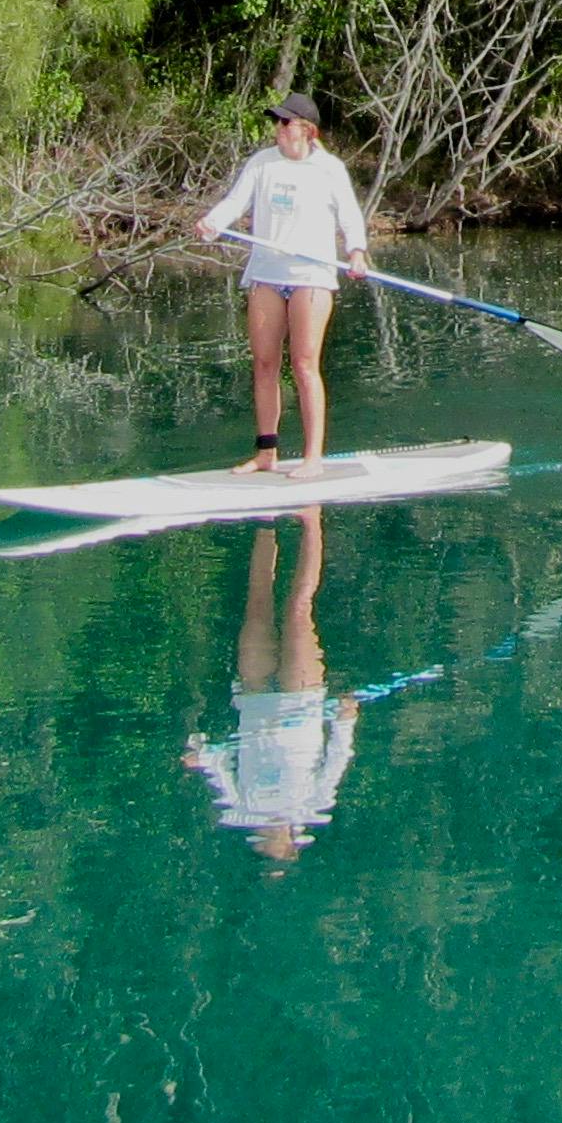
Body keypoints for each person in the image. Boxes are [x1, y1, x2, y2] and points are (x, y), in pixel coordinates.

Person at [197, 90, 370, 471]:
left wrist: (356, 251)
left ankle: (313, 458)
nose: (278, 128)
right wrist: (213, 222)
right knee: (264, 363)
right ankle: (266, 454)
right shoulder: (262, 163)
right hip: (267, 275)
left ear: (307, 131)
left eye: (285, 122)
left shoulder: (329, 169)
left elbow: (350, 217)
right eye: (277, 121)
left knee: (305, 363)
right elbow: (233, 202)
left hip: (312, 276)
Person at [184, 510, 359, 863]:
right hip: (302, 699)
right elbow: (337, 759)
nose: (267, 840)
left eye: (263, 846)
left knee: (257, 605)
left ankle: (265, 522)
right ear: (292, 846)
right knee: (298, 608)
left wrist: (199, 755)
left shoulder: (241, 812)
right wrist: (345, 721)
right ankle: (311, 519)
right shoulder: (314, 808)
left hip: (255, 700)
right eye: (276, 849)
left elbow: (220, 770)